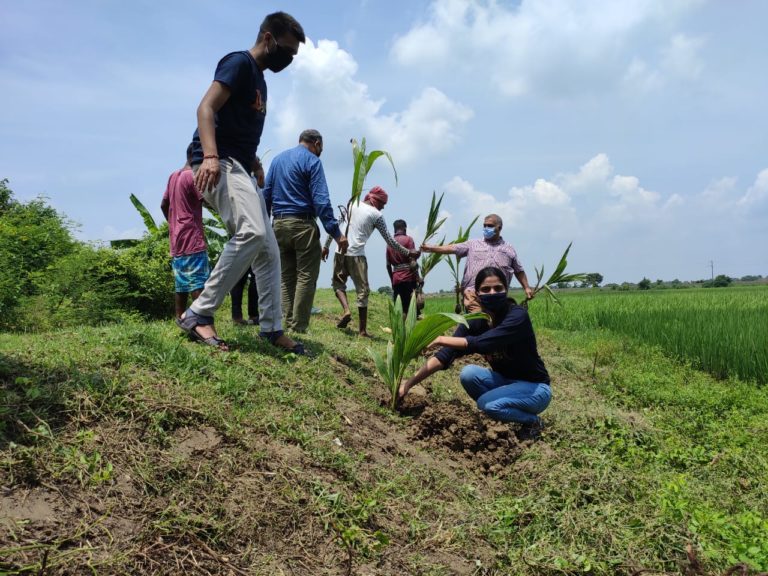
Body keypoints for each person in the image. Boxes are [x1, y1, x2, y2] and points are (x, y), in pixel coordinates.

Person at [178, 11, 306, 353]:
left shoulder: (260, 82)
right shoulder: (238, 63)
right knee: (253, 231)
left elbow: (239, 129)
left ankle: (271, 328)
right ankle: (198, 314)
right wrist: (208, 157)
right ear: (268, 38)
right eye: (287, 50)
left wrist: (255, 163)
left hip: (241, 166)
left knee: (269, 251)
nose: (288, 59)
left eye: (293, 55)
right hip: (218, 162)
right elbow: (206, 108)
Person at [398, 266, 551, 441]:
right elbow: (444, 357)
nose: (492, 293)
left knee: (487, 404)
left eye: (498, 288)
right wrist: (407, 384)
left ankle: (533, 421)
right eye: (486, 289)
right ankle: (499, 410)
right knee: (468, 374)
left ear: (506, 290)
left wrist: (440, 338)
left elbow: (484, 342)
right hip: (506, 382)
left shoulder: (517, 316)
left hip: (536, 389)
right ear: (478, 293)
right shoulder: (476, 321)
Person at [264, 129, 348, 333]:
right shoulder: (312, 161)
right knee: (306, 276)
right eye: (321, 148)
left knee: (286, 277)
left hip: (279, 225)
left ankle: (287, 324)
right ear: (317, 143)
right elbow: (321, 200)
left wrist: (265, 226)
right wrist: (337, 234)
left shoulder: (277, 160)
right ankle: (298, 327)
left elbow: (266, 194)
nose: (321, 152)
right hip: (302, 224)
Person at [322, 187, 419, 337]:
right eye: (383, 203)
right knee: (363, 292)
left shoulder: (351, 204)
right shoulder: (376, 215)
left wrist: (326, 246)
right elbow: (389, 240)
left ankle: (346, 310)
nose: (383, 206)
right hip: (357, 255)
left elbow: (336, 225)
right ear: (375, 200)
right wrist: (408, 252)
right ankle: (362, 331)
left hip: (339, 250)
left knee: (338, 284)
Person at [421, 214, 533, 313]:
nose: (486, 228)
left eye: (489, 226)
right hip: (473, 292)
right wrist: (431, 248)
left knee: (495, 323)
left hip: (497, 293)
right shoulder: (473, 244)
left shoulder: (508, 249)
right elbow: (453, 248)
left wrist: (526, 288)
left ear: (499, 228)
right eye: (484, 225)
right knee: (478, 320)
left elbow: (519, 270)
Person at [161, 144, 209, 320]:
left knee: (181, 283)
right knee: (198, 283)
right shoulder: (192, 176)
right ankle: (201, 322)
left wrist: (174, 223)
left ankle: (179, 319)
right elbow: (208, 201)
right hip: (193, 238)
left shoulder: (173, 176)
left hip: (177, 240)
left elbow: (163, 204)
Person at [231, 155, 265, 325]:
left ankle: (251, 314)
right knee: (242, 276)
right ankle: (239, 316)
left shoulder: (252, 183)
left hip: (250, 232)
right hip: (243, 232)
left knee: (251, 275)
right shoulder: (242, 182)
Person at [385, 219, 420, 316]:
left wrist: (392, 280)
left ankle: (400, 328)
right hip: (409, 278)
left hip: (396, 279)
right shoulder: (409, 239)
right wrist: (418, 278)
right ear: (405, 228)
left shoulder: (389, 243)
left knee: (400, 308)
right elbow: (413, 262)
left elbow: (388, 265)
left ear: (395, 229)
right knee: (410, 309)